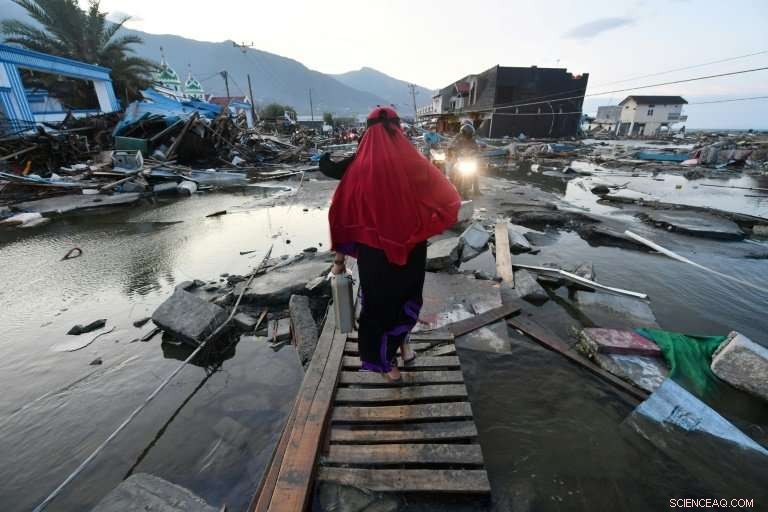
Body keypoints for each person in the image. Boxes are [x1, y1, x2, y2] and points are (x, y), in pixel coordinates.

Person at [320, 107, 461, 381]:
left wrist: (339, 263)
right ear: (398, 130)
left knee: (378, 307)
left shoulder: (358, 169)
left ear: (367, 132)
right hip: (411, 248)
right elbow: (449, 199)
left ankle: (387, 365)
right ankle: (405, 347)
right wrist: (424, 226)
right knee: (405, 299)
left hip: (375, 255)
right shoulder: (416, 164)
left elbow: (342, 218)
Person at [447, 122, 481, 196]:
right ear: (463, 133)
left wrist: (475, 152)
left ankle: (476, 190)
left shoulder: (472, 139)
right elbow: (451, 146)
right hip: (459, 158)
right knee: (453, 170)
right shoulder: (458, 137)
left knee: (475, 173)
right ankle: (453, 186)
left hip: (468, 159)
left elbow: (477, 148)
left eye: (470, 135)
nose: (468, 137)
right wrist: (453, 151)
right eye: (467, 135)